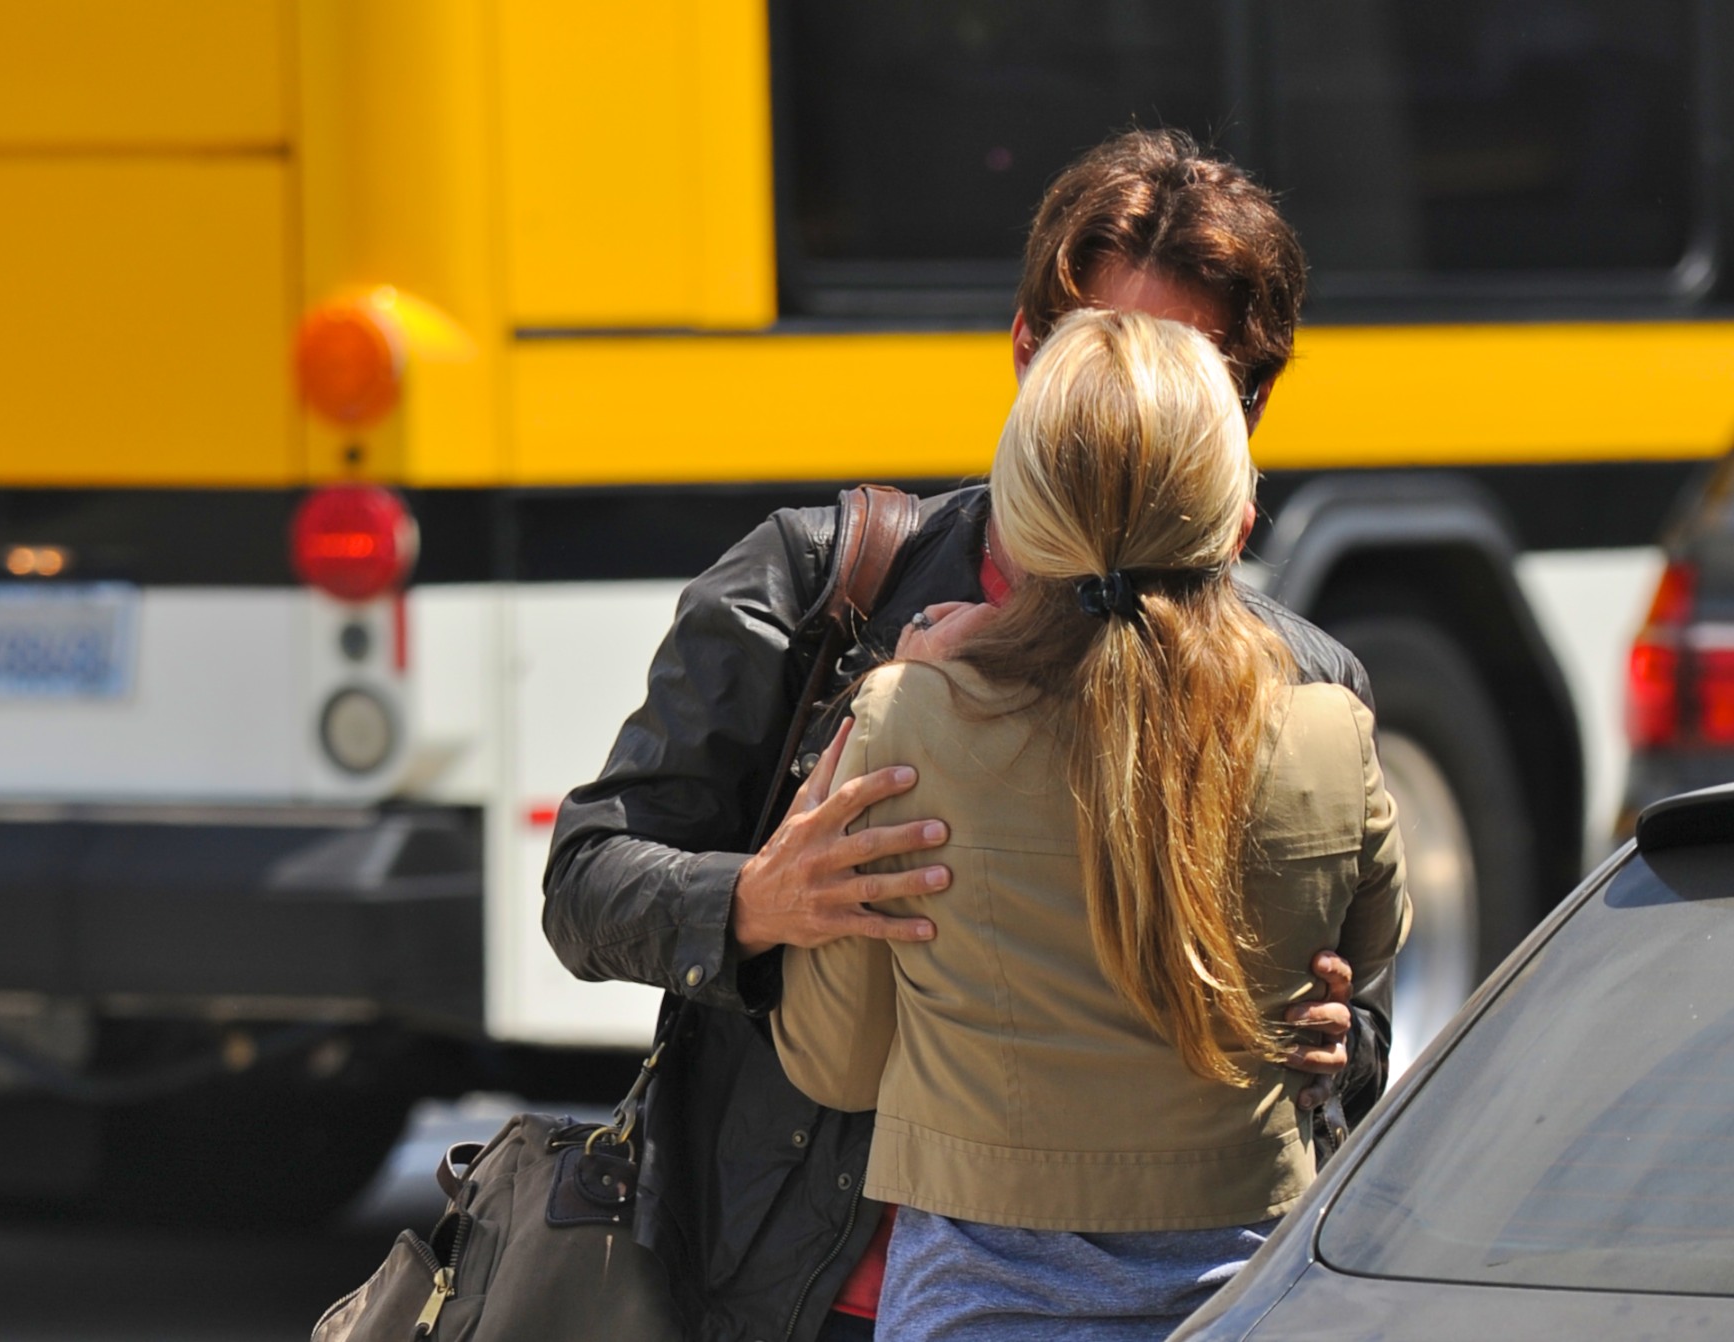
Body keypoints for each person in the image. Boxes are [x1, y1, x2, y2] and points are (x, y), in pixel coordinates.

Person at [544, 129, 1391, 1342]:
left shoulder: (1306, 690)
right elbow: (584, 878)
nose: (1128, 411)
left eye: (1179, 370)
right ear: (1023, 354)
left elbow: (1359, 1038)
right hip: (792, 1299)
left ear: (1242, 416)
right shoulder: (816, 584)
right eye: (1097, 359)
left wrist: (1329, 1045)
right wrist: (752, 903)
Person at [770, 308, 1410, 1340]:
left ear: (1015, 528)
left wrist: (899, 700)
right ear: (1238, 519)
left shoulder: (909, 724)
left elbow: (833, 1060)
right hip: (1246, 1302)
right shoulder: (1328, 733)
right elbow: (1364, 960)